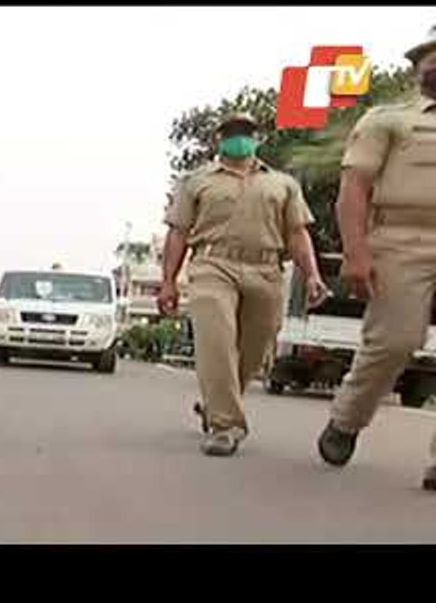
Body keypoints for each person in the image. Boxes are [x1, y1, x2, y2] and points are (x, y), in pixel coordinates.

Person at [159, 112, 328, 457]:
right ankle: (225, 426)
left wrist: (312, 275)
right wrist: (168, 282)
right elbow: (178, 233)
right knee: (217, 341)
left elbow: (297, 234)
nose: (240, 138)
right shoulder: (196, 181)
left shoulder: (282, 184)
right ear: (219, 138)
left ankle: (215, 404)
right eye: (233, 132)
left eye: (247, 132)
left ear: (258, 139)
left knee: (254, 348)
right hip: (212, 265)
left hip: (265, 269)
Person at [317, 28, 436, 491]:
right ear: (419, 70)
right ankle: (347, 418)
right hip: (401, 239)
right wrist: (356, 253)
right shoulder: (388, 120)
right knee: (395, 342)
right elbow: (355, 188)